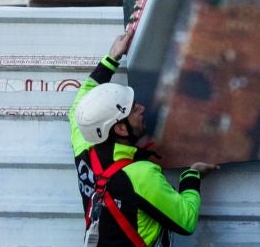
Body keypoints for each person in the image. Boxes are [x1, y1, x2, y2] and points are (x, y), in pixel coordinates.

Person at [69, 25, 209, 245]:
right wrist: (191, 176)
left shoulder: (86, 146)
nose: (142, 108)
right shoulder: (142, 176)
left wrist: (112, 57)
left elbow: (79, 106)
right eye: (133, 109)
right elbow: (186, 220)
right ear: (120, 128)